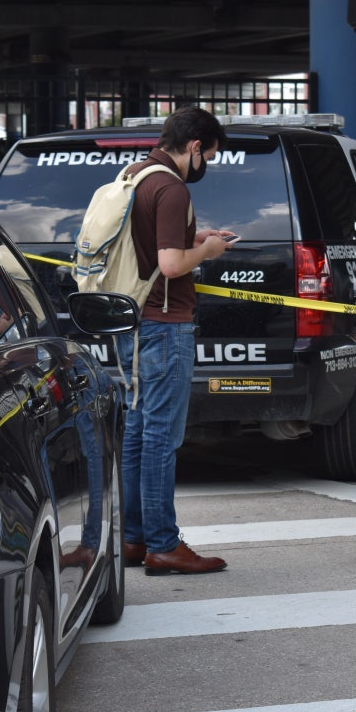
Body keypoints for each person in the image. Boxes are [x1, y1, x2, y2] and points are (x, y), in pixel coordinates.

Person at [116, 106, 234, 576]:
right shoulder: (171, 188)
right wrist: (206, 250)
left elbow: (152, 245)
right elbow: (169, 265)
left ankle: (133, 538)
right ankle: (164, 544)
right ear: (195, 147)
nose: (207, 165)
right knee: (161, 437)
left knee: (138, 432)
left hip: (134, 319)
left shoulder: (136, 175)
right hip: (165, 323)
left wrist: (195, 237)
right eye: (210, 155)